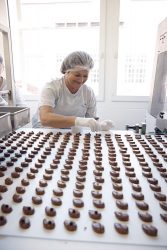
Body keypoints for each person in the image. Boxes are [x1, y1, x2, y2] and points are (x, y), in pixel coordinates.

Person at [33, 51, 114, 132]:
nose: (81, 80)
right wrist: (78, 121)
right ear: (66, 72)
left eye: (85, 76)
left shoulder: (88, 92)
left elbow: (92, 119)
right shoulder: (52, 88)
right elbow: (45, 118)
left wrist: (100, 125)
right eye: (77, 75)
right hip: (47, 130)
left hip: (73, 132)